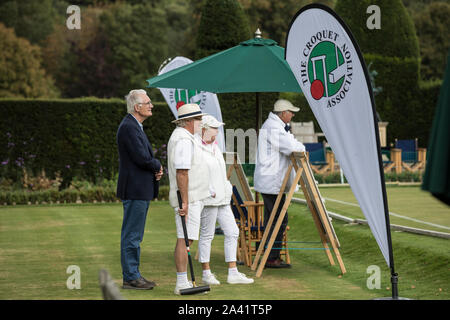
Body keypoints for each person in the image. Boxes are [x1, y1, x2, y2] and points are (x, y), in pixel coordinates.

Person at [197, 115, 254, 286]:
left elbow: (221, 173)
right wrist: (209, 190)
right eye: (214, 128)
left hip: (223, 198)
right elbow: (198, 173)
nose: (217, 131)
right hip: (209, 199)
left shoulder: (215, 147)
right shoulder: (197, 148)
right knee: (207, 234)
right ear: (204, 129)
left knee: (233, 231)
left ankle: (233, 272)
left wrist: (227, 188)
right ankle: (206, 273)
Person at [116, 89, 163, 290]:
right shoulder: (129, 127)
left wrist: (155, 168)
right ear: (137, 107)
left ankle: (134, 275)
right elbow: (141, 158)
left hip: (139, 188)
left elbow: (143, 157)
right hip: (135, 189)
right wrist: (157, 166)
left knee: (135, 234)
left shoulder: (135, 126)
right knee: (132, 235)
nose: (151, 105)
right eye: (148, 102)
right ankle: (131, 277)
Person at [254, 99, 305, 268]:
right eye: (291, 112)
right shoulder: (273, 127)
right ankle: (271, 257)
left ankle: (267, 252)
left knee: (273, 219)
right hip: (272, 181)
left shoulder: (274, 126)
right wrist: (301, 146)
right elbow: (293, 147)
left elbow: (291, 144)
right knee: (279, 219)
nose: (293, 114)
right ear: (283, 113)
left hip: (271, 181)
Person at [167, 103, 209, 295]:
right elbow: (182, 172)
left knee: (188, 238)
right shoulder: (183, 139)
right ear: (190, 121)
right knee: (185, 239)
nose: (202, 122)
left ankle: (183, 281)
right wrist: (185, 200)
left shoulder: (188, 137)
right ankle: (181, 283)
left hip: (192, 197)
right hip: (188, 198)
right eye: (199, 119)